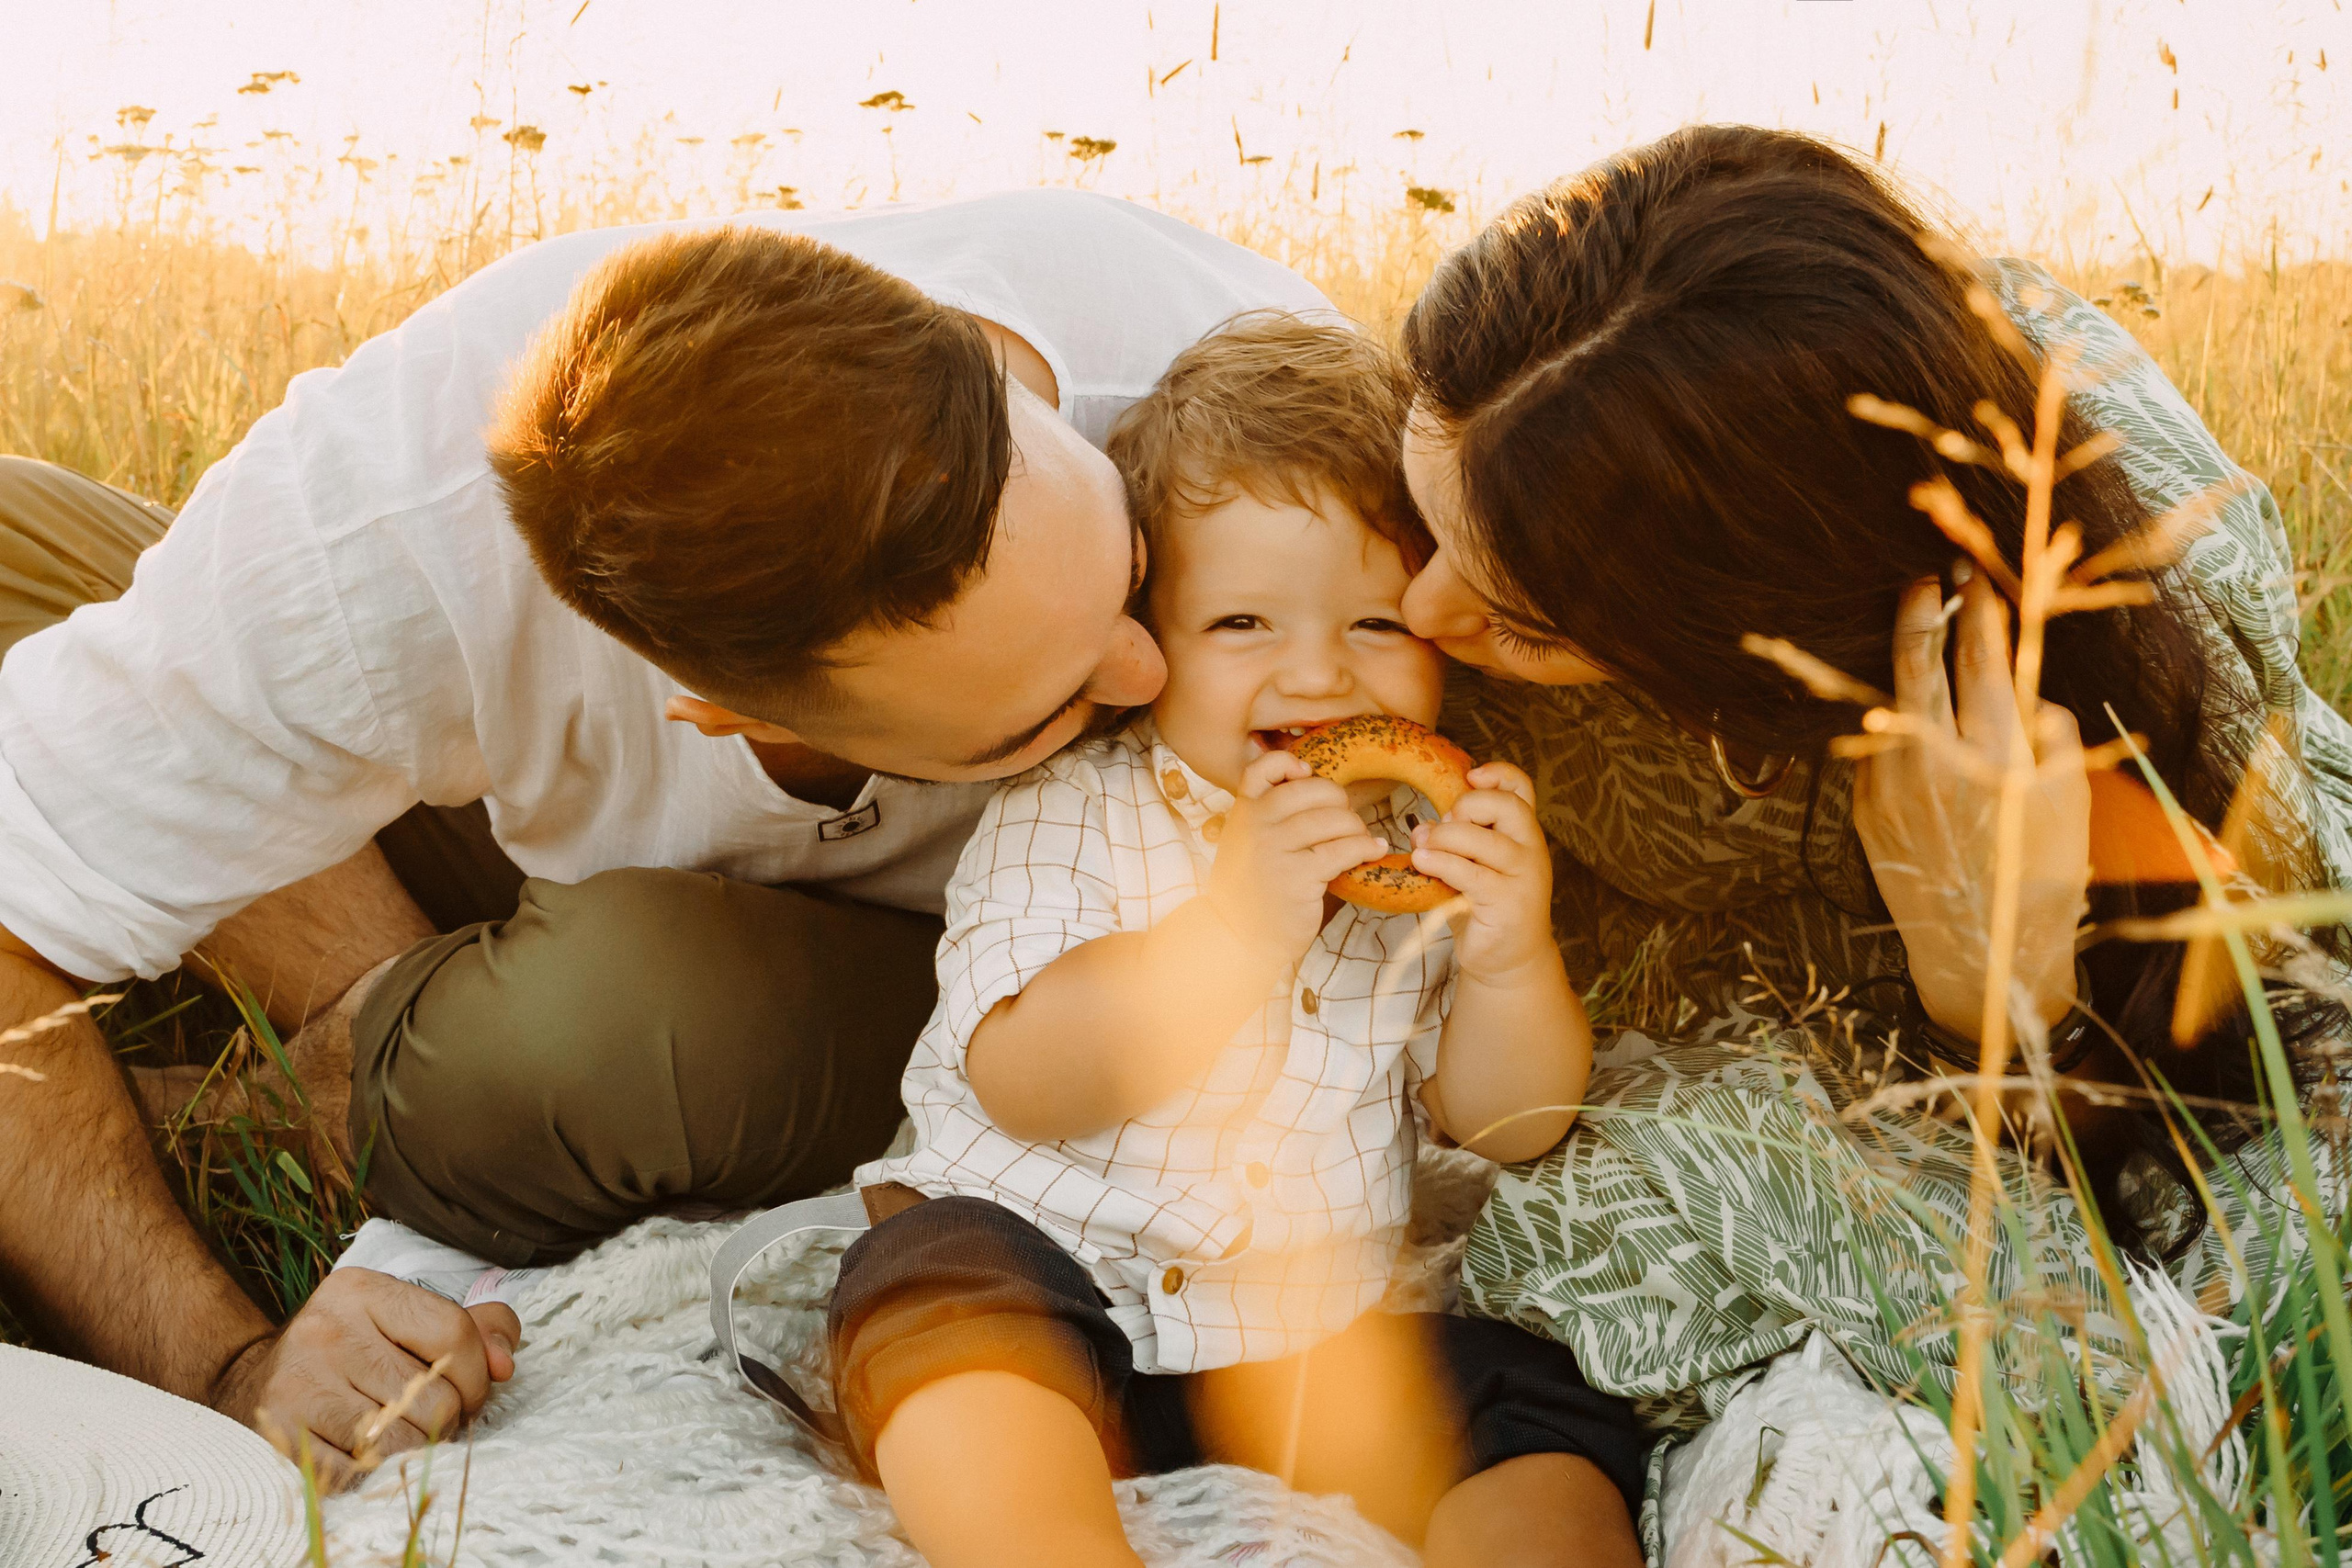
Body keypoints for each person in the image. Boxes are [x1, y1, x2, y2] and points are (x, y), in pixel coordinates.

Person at [0, 188, 1333, 1483]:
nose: (1151, 677)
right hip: (496, 803)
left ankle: (344, 1082)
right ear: (724, 714)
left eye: (1136, 571)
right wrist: (224, 1367)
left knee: (604, 1019)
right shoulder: (390, 514)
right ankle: (345, 1028)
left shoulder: (1232, 391)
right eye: (1043, 712)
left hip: (976, 974)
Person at [1381, 123, 2352, 1500]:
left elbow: (2205, 1229)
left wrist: (1999, 984)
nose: (1419, 618)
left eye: (1523, 623)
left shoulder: (2143, 677)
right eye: (1417, 531)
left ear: (1772, 651)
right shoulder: (1521, 446)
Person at [821, 315, 1645, 1568]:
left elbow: (1507, 1129)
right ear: (1151, 640)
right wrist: (1237, 923)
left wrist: (1508, 958)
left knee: (1530, 1397)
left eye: (1375, 626)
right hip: (1058, 1288)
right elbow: (1025, 1085)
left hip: (1311, 1341)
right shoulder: (1076, 812)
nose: (1317, 679)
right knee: (928, 1291)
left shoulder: (1424, 853)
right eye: (1242, 626)